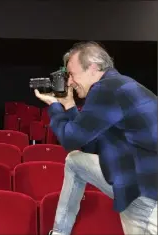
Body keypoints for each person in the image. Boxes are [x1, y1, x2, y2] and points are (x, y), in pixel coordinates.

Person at [34, 41, 157, 235]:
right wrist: (69, 105)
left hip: (145, 193)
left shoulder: (106, 89)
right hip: (138, 185)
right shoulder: (119, 86)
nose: (70, 82)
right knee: (75, 162)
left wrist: (55, 105)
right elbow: (88, 145)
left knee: (73, 160)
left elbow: (70, 139)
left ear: (92, 68)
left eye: (72, 75)